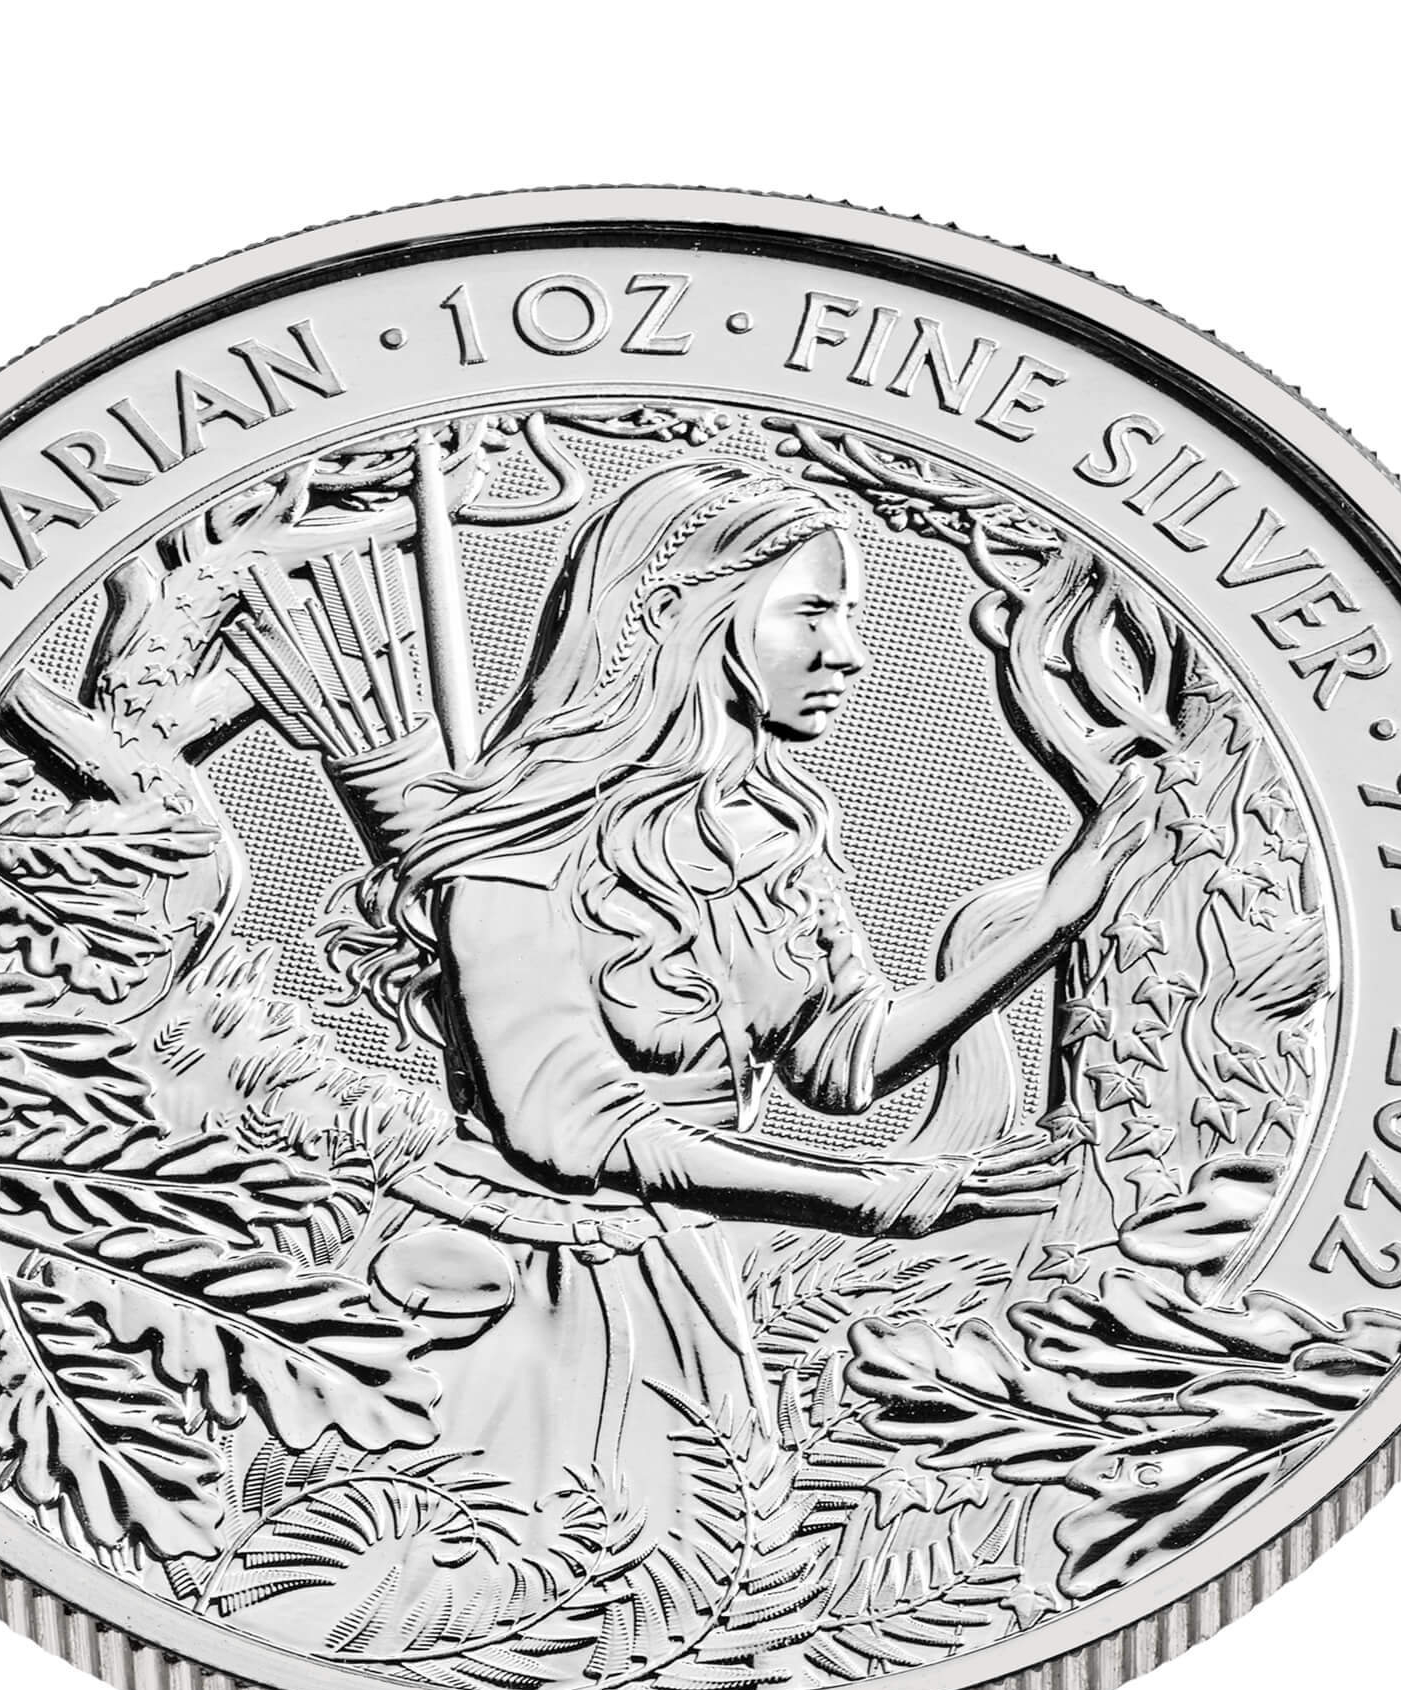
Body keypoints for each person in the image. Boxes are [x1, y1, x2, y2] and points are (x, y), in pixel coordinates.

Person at [331, 457, 1148, 1550]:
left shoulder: (771, 836)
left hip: (681, 1285)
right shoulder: (509, 860)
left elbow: (843, 1061)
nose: (848, 651)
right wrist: (875, 1197)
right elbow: (572, 1127)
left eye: (848, 615)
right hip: (514, 1297)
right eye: (810, 611)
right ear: (679, 611)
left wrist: (1050, 918)